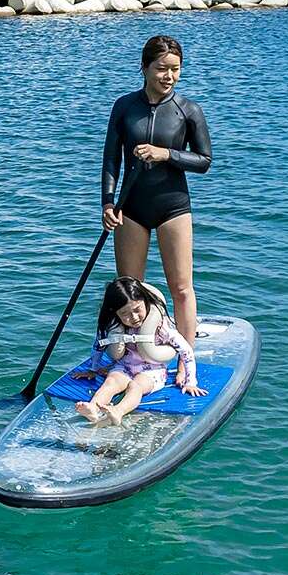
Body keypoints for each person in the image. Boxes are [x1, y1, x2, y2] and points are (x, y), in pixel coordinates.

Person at [101, 34, 210, 347]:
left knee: (181, 288)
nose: (169, 76)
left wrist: (166, 154)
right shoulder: (124, 107)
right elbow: (111, 159)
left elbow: (204, 161)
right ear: (145, 66)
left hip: (172, 207)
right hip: (130, 209)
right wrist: (107, 203)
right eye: (162, 68)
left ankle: (186, 359)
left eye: (176, 69)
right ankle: (135, 355)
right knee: (130, 291)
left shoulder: (188, 110)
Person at [73, 277, 203, 426]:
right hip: (124, 367)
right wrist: (93, 369)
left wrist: (190, 382)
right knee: (110, 382)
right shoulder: (115, 327)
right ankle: (93, 408)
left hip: (152, 372)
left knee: (135, 386)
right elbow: (99, 345)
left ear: (146, 302)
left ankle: (118, 411)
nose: (133, 317)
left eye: (137, 309)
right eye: (125, 313)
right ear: (115, 313)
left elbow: (186, 351)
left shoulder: (160, 328)